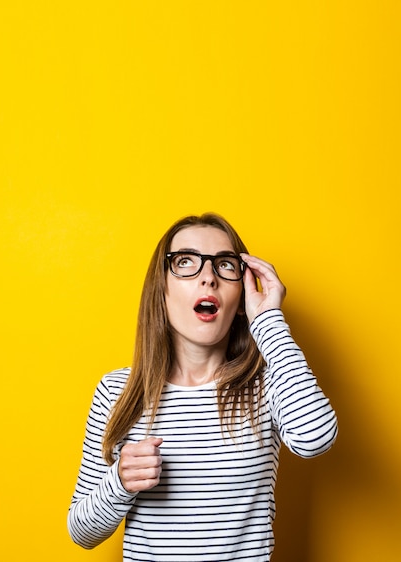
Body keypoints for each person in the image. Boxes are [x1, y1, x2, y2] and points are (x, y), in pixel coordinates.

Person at [67, 213, 337, 561]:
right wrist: (120, 482)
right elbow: (81, 533)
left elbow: (316, 438)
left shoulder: (269, 384)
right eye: (185, 262)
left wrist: (268, 320)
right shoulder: (117, 389)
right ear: (161, 291)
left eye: (225, 265)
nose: (208, 278)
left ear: (241, 297)